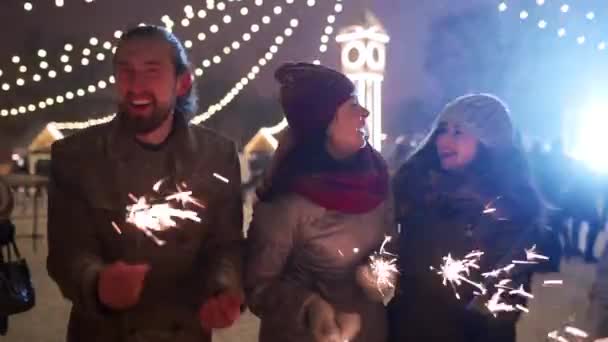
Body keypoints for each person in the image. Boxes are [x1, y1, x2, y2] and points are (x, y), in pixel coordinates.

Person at [47, 25, 244, 342]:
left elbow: (227, 245)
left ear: (183, 82)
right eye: (125, 71)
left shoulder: (217, 156)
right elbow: (67, 251)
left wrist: (224, 288)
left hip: (187, 332)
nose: (136, 86)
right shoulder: (77, 157)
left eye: (152, 71)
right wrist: (97, 283)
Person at [245, 62, 395, 342]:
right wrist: (309, 307)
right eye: (352, 106)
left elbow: (390, 246)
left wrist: (380, 272)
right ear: (323, 122)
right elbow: (258, 286)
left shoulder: (376, 177)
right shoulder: (288, 198)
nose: (365, 112)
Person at [388, 94, 545, 342]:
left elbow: (501, 303)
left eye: (458, 132)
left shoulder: (509, 210)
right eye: (442, 130)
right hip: (406, 329)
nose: (444, 141)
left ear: (489, 142)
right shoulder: (417, 189)